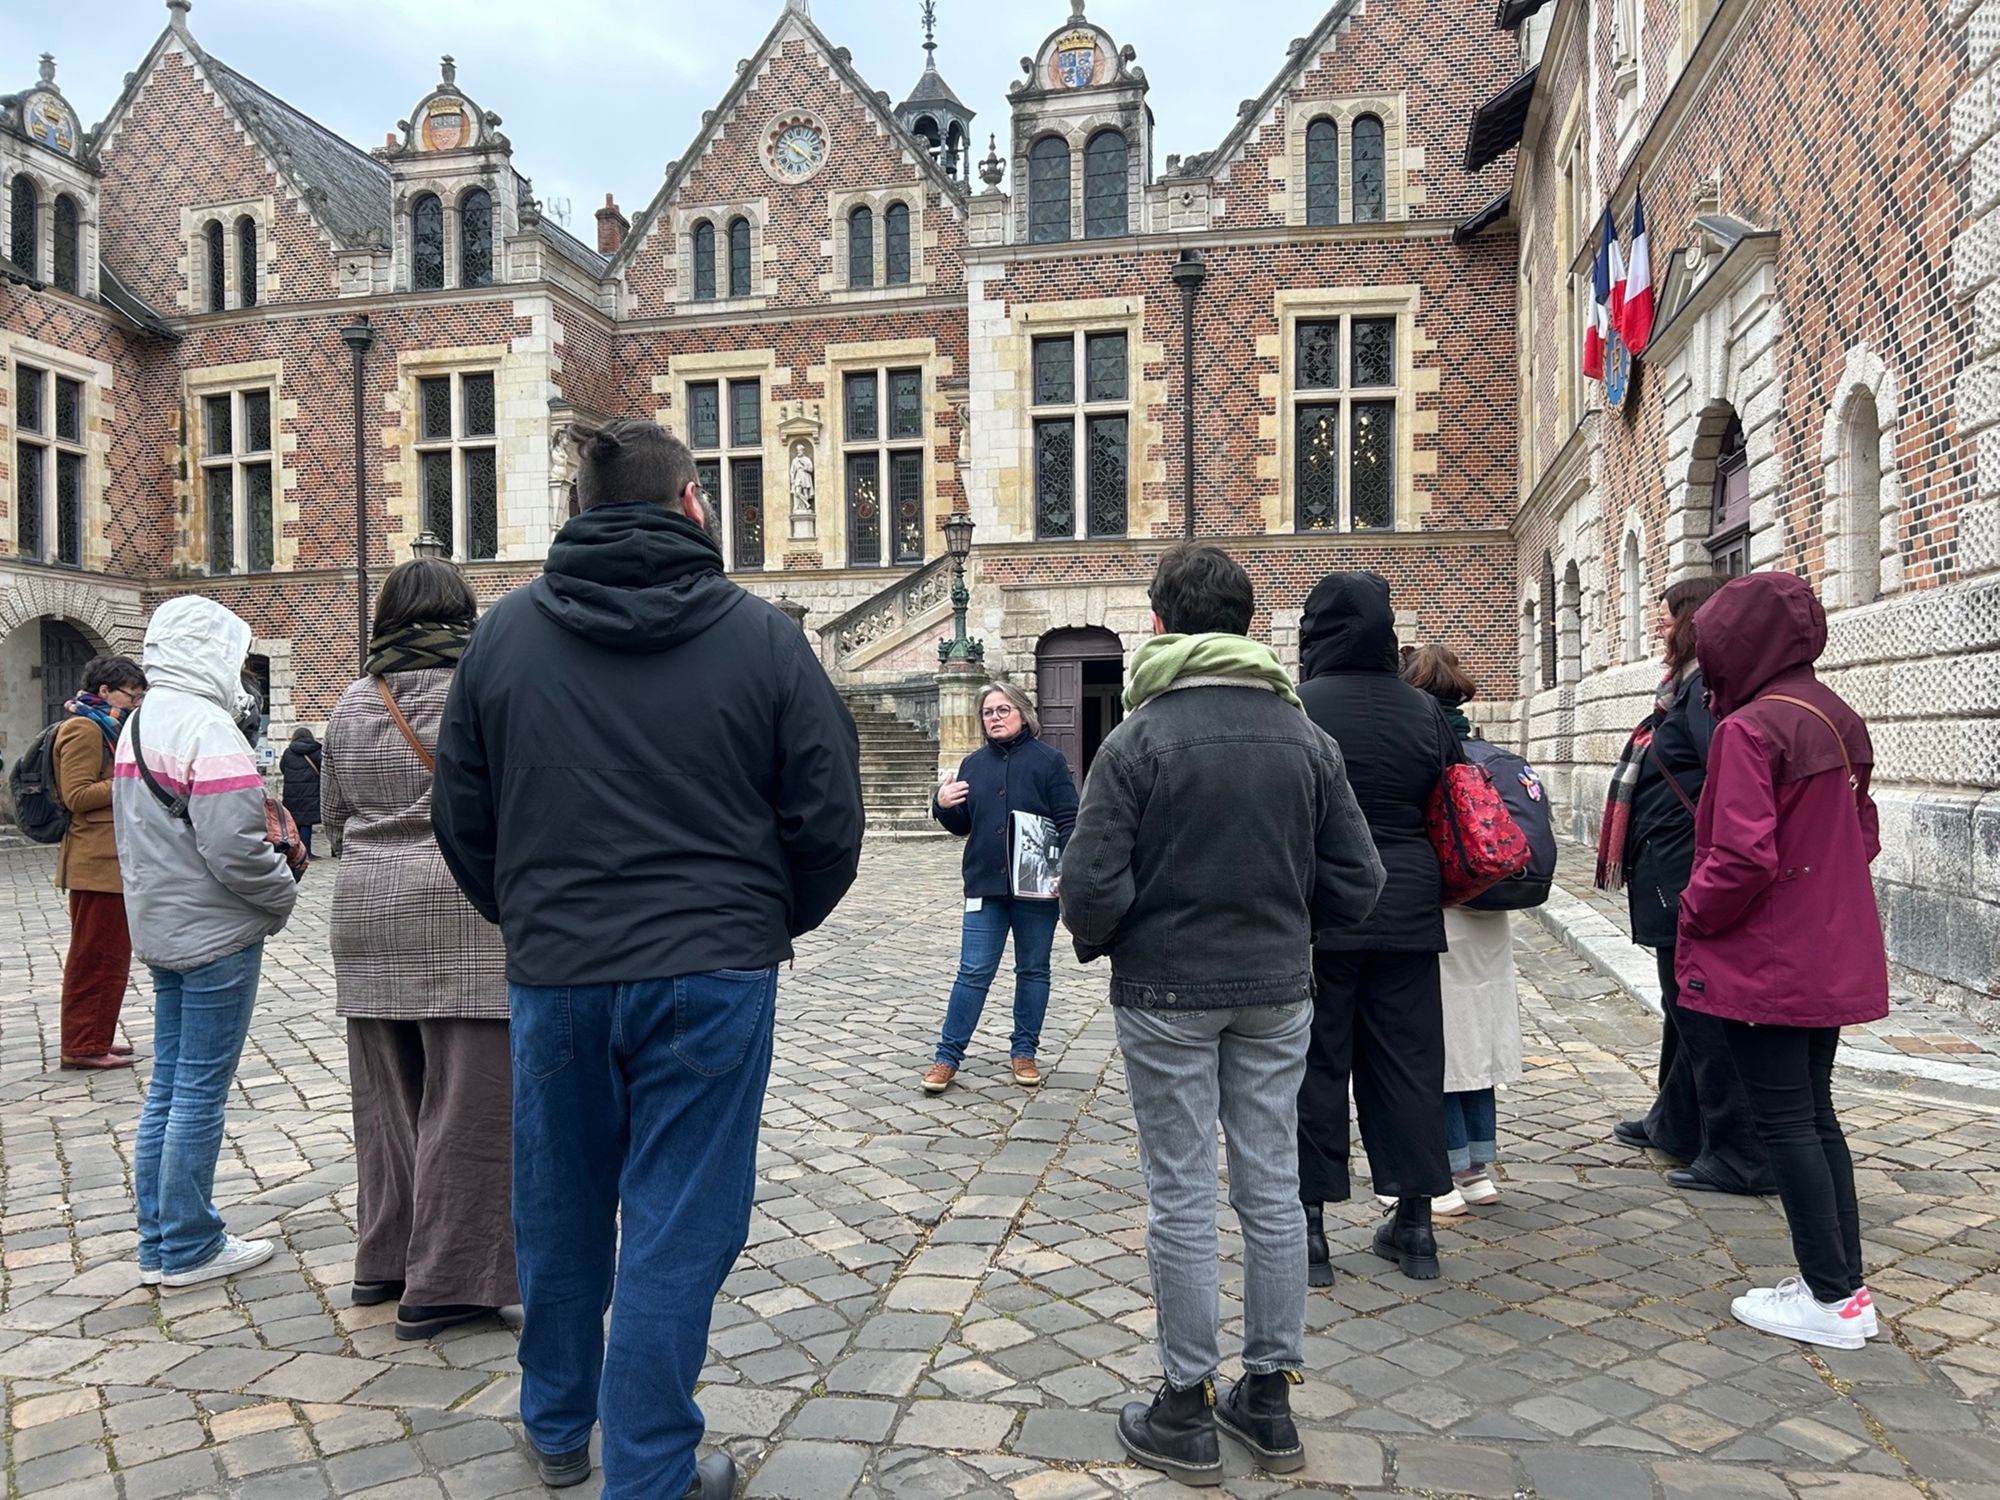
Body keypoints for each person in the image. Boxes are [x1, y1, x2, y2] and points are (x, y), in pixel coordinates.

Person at [433, 419, 864, 1498]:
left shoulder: (506, 635)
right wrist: (761, 924)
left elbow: (462, 817)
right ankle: (652, 1472)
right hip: (710, 971)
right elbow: (828, 818)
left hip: (560, 970)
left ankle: (557, 1425)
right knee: (679, 1220)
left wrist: (531, 917)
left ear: (577, 512)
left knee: (561, 1206)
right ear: (693, 507)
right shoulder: (765, 638)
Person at [1061, 542, 1382, 1487]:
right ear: (1248, 625)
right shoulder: (1305, 739)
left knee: (1180, 1192)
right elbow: (1359, 881)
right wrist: (1289, 927)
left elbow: (1087, 884)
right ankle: (1270, 1397)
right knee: (1271, 1188)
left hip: (1165, 992)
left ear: (1159, 624)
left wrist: (1127, 933)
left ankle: (1185, 1406)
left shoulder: (1138, 739)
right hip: (1277, 991)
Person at [1677, 571, 1886, 1351]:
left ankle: (1830, 1297)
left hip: (1770, 955)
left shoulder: (1751, 728)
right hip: (1825, 944)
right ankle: (1843, 1287)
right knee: (1815, 1115)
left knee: (1787, 1122)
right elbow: (1861, 838)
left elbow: (1739, 857)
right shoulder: (1835, 716)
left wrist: (1692, 910)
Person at [322, 559, 516, 1343]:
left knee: (389, 1105)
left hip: (366, 914)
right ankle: (450, 1283)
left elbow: (333, 814)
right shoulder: (481, 695)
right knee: (469, 1108)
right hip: (464, 915)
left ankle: (387, 1258)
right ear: (463, 615)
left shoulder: (350, 700)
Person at [116, 596, 300, 1288]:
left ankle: (160, 1239)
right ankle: (191, 1243)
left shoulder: (140, 722)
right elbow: (235, 846)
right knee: (197, 1090)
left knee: (167, 1086)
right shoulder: (208, 728)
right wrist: (281, 897)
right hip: (216, 929)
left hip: (163, 924)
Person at [1294, 572, 1458, 1283]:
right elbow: (1446, 795)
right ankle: (1415, 1225)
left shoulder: (1299, 708)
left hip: (1324, 909)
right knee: (1411, 1069)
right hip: (1409, 909)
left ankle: (1311, 1231)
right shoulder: (1423, 710)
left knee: (1316, 1068)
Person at [1599, 577, 1773, 1197]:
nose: (1660, 629)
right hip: (1667, 868)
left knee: (1700, 1010)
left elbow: (1723, 779)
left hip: (1683, 874)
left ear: (1694, 623)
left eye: (1669, 618)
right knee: (1679, 1003)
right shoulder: (1686, 688)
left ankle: (1739, 1152)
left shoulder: (1703, 694)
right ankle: (1674, 1121)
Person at [1401, 645, 1520, 1209]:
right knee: (1478, 1038)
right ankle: (1478, 1169)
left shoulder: (1423, 750)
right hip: (1489, 910)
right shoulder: (1489, 753)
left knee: (1442, 1042)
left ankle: (1445, 1175)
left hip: (1443, 907)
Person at [927, 682, 1077, 1093]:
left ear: (1023, 713)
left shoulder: (1049, 762)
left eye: (1003, 710)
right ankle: (946, 1057)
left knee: (1033, 970)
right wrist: (942, 804)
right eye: (988, 712)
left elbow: (1069, 821)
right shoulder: (973, 765)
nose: (994, 717)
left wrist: (1069, 868)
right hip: (984, 886)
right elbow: (962, 825)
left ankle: (1024, 1051)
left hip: (1036, 890)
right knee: (972, 972)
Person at [53, 655, 148, 1071]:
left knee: (112, 954)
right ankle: (82, 1044)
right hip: (96, 861)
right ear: (105, 691)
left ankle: (96, 1035)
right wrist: (130, 777)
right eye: (132, 694)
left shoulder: (108, 728)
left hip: (112, 860)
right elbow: (77, 795)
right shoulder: (83, 728)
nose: (136, 703)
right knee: (96, 956)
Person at [281, 725, 323, 856]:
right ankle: (306, 852)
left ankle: (296, 851)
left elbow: (283, 768)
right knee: (306, 822)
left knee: (295, 822)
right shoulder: (316, 751)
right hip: (311, 792)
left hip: (292, 793)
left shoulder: (288, 752)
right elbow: (323, 769)